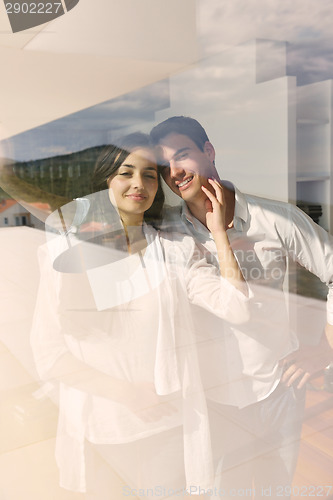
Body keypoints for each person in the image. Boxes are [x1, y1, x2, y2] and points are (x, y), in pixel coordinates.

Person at [30, 132, 250, 499]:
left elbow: (238, 307)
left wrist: (218, 236)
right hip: (104, 433)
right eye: (126, 173)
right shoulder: (62, 254)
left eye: (149, 174)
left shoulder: (175, 252)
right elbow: (48, 352)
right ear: (106, 182)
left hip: (168, 429)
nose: (139, 183)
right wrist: (126, 393)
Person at [150, 116, 333, 499]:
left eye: (182, 155)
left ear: (209, 151)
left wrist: (327, 350)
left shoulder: (275, 219)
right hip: (212, 400)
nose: (175, 172)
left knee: (274, 492)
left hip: (277, 389)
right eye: (165, 166)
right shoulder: (171, 238)